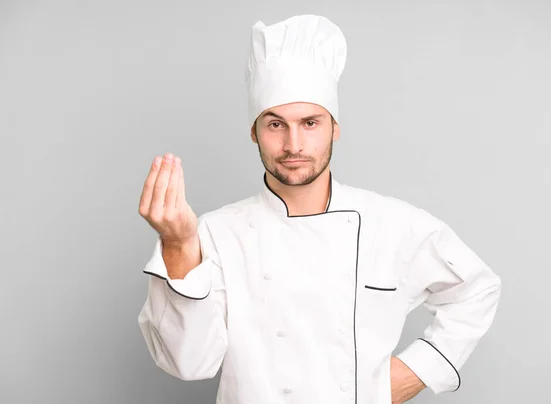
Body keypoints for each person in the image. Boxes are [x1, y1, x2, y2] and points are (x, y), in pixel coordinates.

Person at [137, 14, 502, 404]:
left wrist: (417, 372)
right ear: (254, 132)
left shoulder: (391, 224)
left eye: (310, 123)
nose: (294, 144)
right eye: (276, 125)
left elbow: (476, 289)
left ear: (335, 128)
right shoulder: (215, 233)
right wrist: (177, 245)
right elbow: (190, 364)